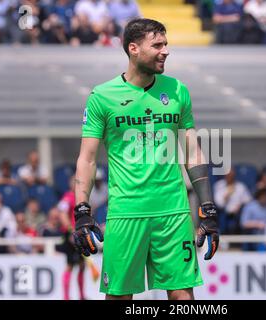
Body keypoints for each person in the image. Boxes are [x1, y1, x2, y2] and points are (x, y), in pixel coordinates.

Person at [72, 18, 219, 300]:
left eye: (166, 44)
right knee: (118, 297)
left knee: (182, 296)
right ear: (134, 48)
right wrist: (82, 210)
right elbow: (87, 159)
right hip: (126, 213)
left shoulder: (178, 91)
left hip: (173, 212)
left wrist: (208, 208)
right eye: (158, 45)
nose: (166, 51)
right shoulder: (102, 97)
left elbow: (193, 152)